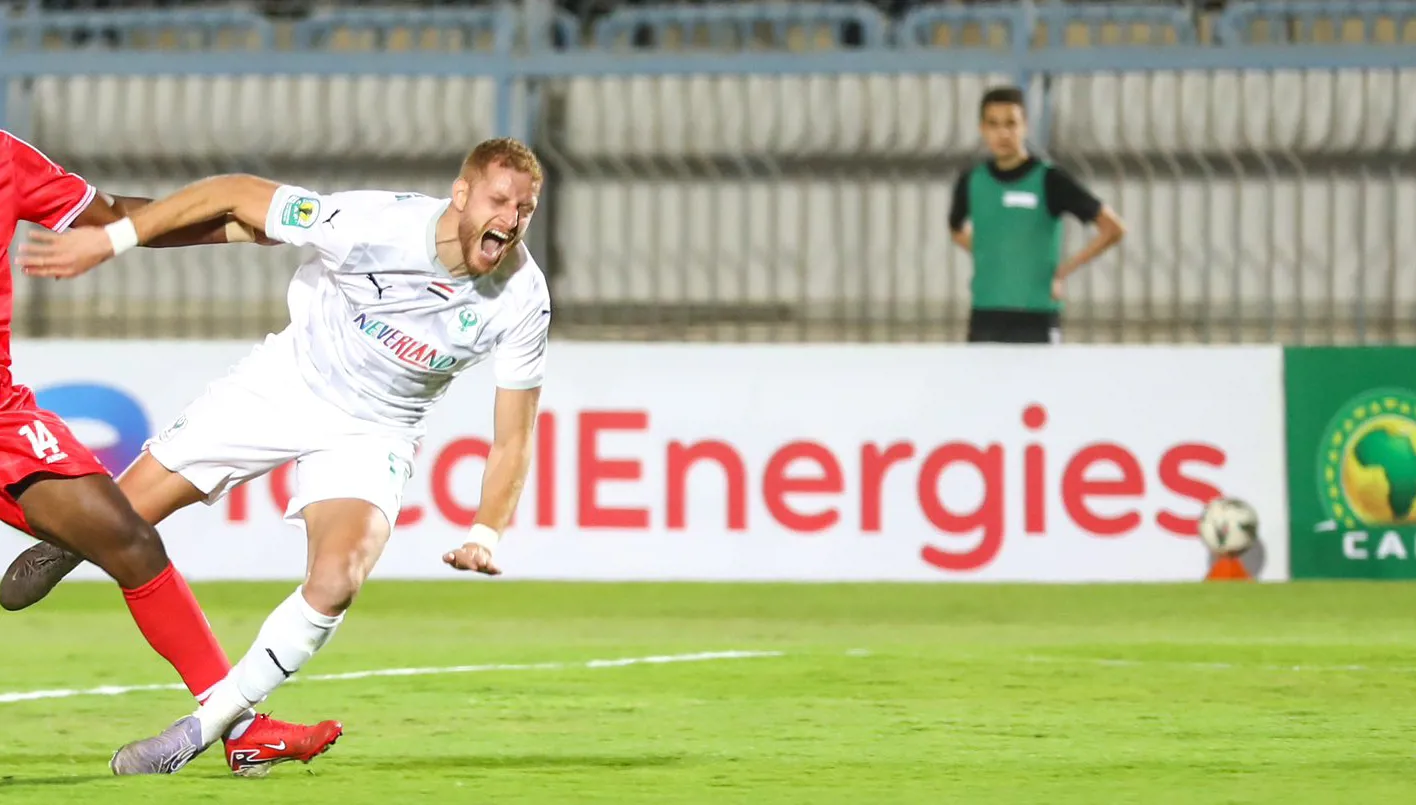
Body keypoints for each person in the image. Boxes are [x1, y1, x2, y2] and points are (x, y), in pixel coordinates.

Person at [10, 137, 550, 775]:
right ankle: (69, 545)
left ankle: (211, 728)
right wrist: (115, 239)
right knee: (120, 520)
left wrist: (485, 531)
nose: (512, 220)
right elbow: (234, 193)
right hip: (285, 384)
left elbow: (514, 435)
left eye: (525, 209)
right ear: (461, 195)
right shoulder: (375, 225)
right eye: (499, 201)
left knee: (337, 582)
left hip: (375, 430)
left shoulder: (523, 298)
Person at [0, 129, 341, 775]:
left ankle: (240, 728)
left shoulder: (6, 159)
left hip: (3, 420)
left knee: (129, 538)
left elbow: (113, 219)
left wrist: (232, 229)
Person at [948, 86, 1127, 344]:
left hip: (1036, 315)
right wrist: (992, 253)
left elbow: (1113, 228)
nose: (1003, 133)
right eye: (993, 124)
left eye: (1011, 123)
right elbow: (955, 228)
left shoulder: (1049, 179)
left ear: (1025, 126)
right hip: (986, 314)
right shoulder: (972, 181)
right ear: (982, 129)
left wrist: (1063, 271)